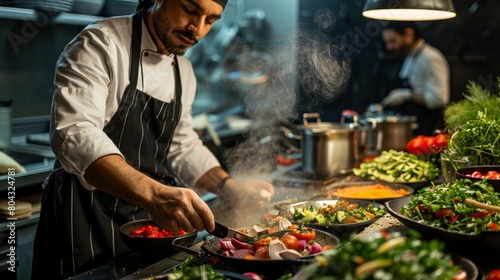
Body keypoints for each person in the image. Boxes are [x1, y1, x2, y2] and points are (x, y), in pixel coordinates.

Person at [31, 0, 274, 278]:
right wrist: (154, 195)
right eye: (190, 9)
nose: (197, 28)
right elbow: (74, 133)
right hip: (85, 220)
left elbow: (182, 146)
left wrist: (228, 187)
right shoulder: (100, 44)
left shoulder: (183, 71)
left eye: (210, 20)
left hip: (147, 226)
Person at [380, 21, 450, 136]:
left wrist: (407, 95)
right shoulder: (410, 56)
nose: (389, 47)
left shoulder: (430, 58)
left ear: (409, 34)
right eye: (387, 42)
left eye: (393, 41)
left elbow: (438, 99)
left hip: (428, 130)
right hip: (414, 129)